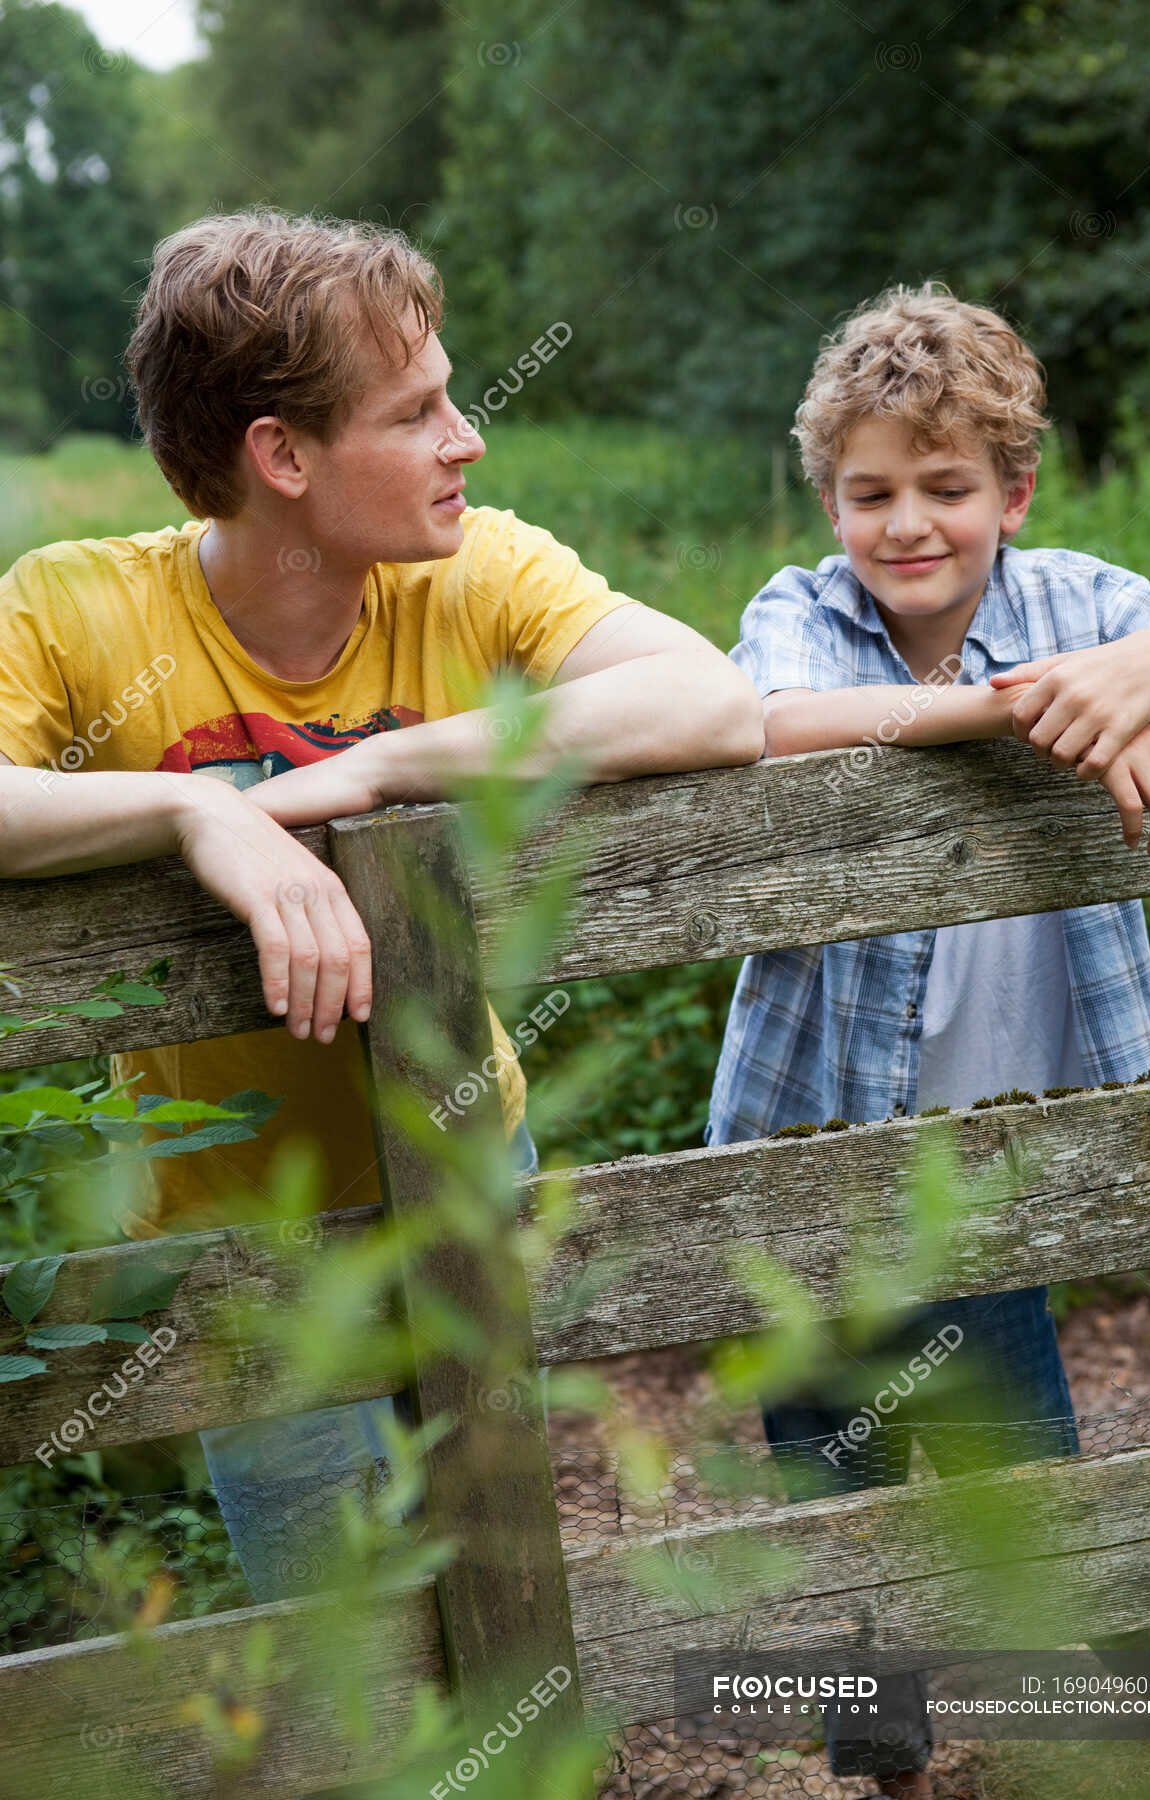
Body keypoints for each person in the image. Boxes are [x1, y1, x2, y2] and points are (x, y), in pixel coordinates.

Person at [0, 210, 763, 1621]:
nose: (467, 439)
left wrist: (377, 770)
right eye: (417, 412)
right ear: (282, 457)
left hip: (469, 1154)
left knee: (496, 1582)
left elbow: (709, 698)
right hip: (237, 1235)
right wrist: (196, 810)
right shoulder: (76, 608)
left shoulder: (472, 569)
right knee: (340, 1629)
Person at [706, 281, 1150, 1798]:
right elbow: (771, 717)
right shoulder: (803, 612)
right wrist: (1037, 720)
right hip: (808, 1143)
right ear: (828, 499)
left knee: (1028, 1481)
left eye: (945, 487)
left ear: (1015, 492)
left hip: (1002, 1153)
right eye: (870, 492)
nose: (905, 523)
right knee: (832, 1496)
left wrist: (1149, 670)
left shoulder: (1082, 606)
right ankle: (886, 1758)